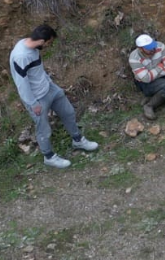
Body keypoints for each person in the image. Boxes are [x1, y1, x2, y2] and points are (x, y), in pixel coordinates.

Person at [10, 24, 99, 168]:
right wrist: (33, 103)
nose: (49, 46)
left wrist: (50, 83)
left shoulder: (28, 44)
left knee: (68, 112)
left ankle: (77, 140)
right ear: (41, 41)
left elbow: (37, 70)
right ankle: (49, 156)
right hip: (36, 98)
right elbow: (22, 84)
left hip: (49, 88)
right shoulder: (21, 56)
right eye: (49, 43)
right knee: (43, 128)